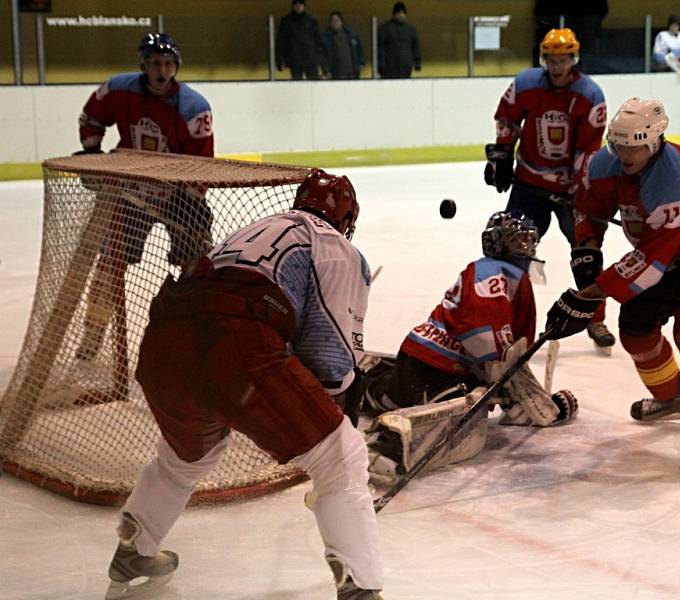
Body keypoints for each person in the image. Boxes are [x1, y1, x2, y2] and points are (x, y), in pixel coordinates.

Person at [102, 169, 384, 600]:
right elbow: (329, 359)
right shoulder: (336, 246)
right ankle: (361, 590)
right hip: (234, 344)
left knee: (185, 457)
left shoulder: (254, 228)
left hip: (163, 343)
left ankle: (134, 551)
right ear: (348, 218)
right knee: (341, 457)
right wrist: (328, 414)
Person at [544, 98, 680, 473]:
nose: (623, 153)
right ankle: (675, 396)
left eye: (632, 144)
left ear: (654, 141)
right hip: (662, 248)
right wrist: (586, 252)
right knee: (635, 331)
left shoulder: (676, 182)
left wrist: (589, 295)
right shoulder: (604, 164)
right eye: (617, 143)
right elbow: (589, 209)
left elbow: (652, 263)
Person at [362, 211, 578, 482]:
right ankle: (390, 444)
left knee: (397, 396)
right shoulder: (496, 271)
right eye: (516, 240)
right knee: (460, 410)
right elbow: (485, 335)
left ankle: (372, 385)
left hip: (418, 355)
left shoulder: (496, 271)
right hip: (439, 368)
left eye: (528, 240)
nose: (525, 247)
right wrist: (536, 405)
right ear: (496, 243)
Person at [75, 32, 214, 360]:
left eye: (167, 63)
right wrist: (93, 152)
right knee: (110, 264)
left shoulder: (194, 107)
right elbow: (91, 117)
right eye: (153, 63)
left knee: (196, 264)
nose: (161, 71)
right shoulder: (118, 89)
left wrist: (192, 202)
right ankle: (92, 335)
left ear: (176, 66)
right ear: (143, 65)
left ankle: (198, 329)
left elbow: (202, 163)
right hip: (130, 192)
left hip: (179, 195)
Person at [483, 28, 615, 354]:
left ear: (574, 59)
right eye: (552, 60)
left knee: (586, 252)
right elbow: (507, 119)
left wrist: (579, 187)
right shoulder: (527, 84)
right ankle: (508, 318)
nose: (557, 66)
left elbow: (589, 150)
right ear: (544, 60)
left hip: (571, 190)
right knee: (512, 249)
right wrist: (501, 154)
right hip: (529, 183)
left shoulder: (590, 95)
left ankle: (595, 318)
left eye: (564, 59)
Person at [277, 0, 327, 80]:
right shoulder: (286, 21)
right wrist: (280, 60)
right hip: (294, 60)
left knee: (314, 84)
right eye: (296, 4)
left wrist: (320, 59)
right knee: (297, 84)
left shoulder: (311, 21)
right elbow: (281, 42)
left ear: (304, 6)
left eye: (300, 4)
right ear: (293, 6)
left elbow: (318, 41)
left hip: (311, 60)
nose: (298, 6)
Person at [378, 2, 421, 79]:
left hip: (405, 67)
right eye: (399, 12)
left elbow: (415, 47)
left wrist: (417, 62)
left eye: (403, 13)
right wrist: (381, 64)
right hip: (389, 67)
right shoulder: (385, 28)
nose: (401, 15)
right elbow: (380, 47)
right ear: (394, 14)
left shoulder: (410, 29)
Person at [322, 11, 366, 79]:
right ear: (330, 23)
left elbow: (359, 49)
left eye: (337, 20)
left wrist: (361, 62)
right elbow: (323, 57)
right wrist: (327, 71)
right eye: (332, 20)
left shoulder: (351, 35)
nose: (335, 22)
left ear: (341, 22)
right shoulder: (326, 38)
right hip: (336, 72)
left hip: (352, 72)